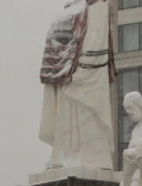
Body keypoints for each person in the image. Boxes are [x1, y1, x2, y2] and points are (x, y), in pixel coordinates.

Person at [39, 0, 115, 171]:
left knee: (87, 120)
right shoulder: (68, 13)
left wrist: (81, 73)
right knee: (67, 120)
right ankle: (65, 155)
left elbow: (97, 41)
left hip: (83, 77)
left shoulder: (98, 7)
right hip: (67, 78)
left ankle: (89, 157)